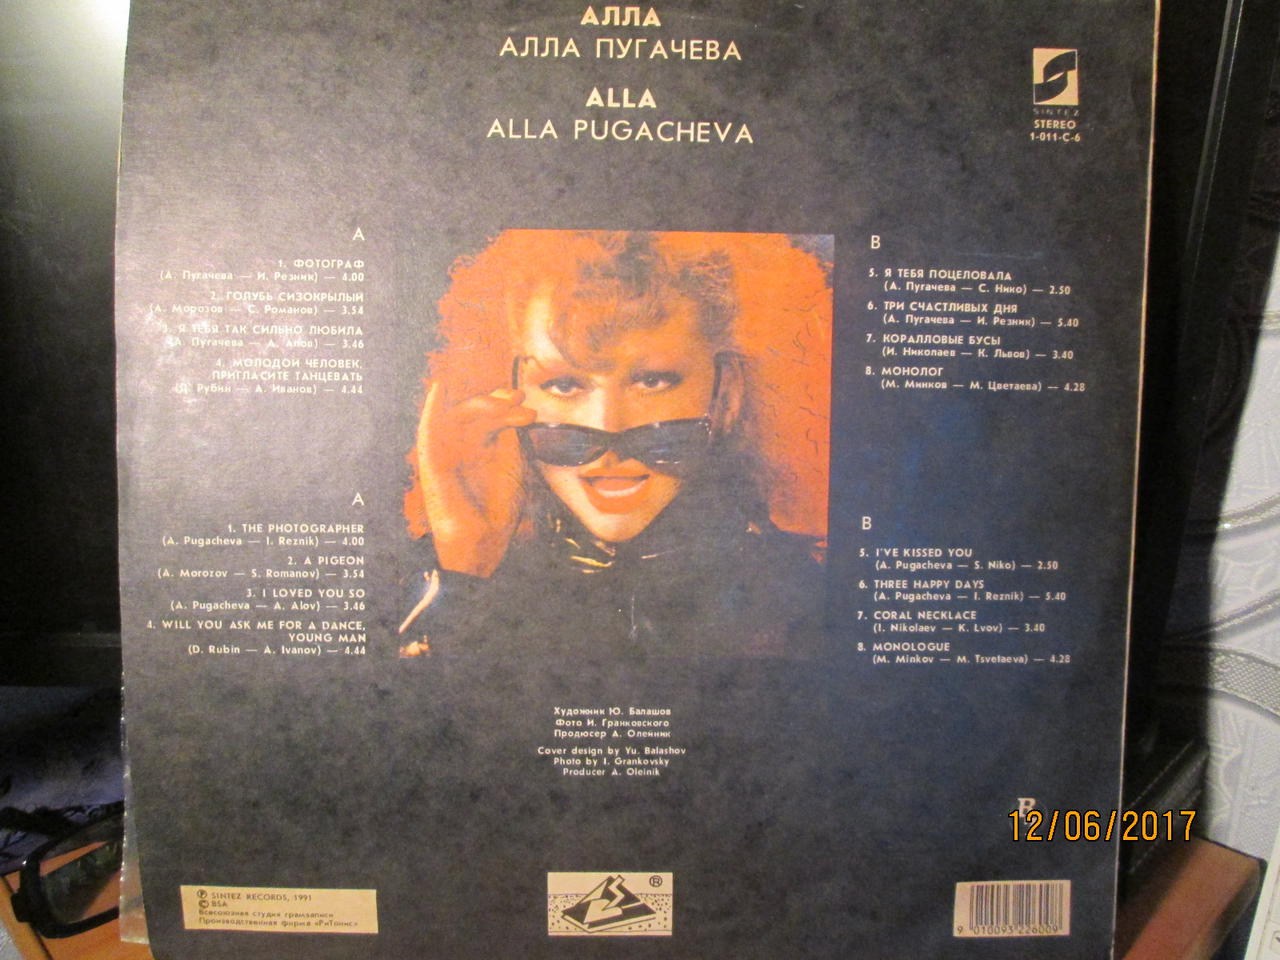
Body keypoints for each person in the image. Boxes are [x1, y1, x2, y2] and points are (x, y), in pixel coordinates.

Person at [399, 230, 832, 658]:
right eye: (563, 384)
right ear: (509, 394)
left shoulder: (803, 602)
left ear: (726, 394)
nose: (609, 429)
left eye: (653, 381)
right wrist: (466, 571)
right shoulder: (458, 573)